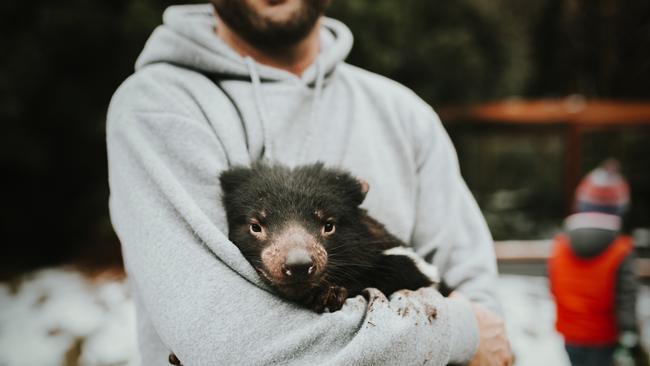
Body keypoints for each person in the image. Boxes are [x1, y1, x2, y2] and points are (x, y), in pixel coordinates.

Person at [106, 1, 512, 364]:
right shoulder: (159, 106)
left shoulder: (404, 112)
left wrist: (466, 328)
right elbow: (232, 345)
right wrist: (455, 332)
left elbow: (480, 309)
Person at [549, 160, 639, 366]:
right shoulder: (621, 250)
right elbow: (626, 297)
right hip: (604, 336)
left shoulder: (560, 245)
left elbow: (554, 286)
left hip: (570, 334)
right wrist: (629, 333)